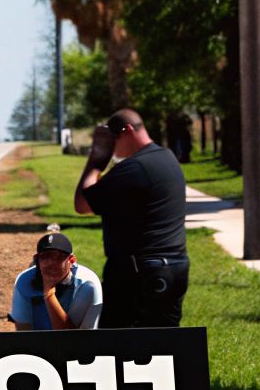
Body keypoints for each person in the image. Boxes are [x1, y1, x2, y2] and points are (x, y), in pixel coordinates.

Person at [73, 108, 189, 327]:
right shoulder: (167, 158)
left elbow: (82, 203)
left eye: (112, 141)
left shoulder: (135, 168)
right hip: (174, 267)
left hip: (140, 272)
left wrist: (97, 158)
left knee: (120, 343)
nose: (112, 149)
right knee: (165, 344)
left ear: (126, 131)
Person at [10, 226, 102, 330]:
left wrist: (49, 293)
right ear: (37, 260)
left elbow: (77, 338)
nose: (51, 263)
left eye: (58, 257)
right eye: (45, 256)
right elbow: (24, 332)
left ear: (71, 261)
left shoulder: (87, 284)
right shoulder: (25, 281)